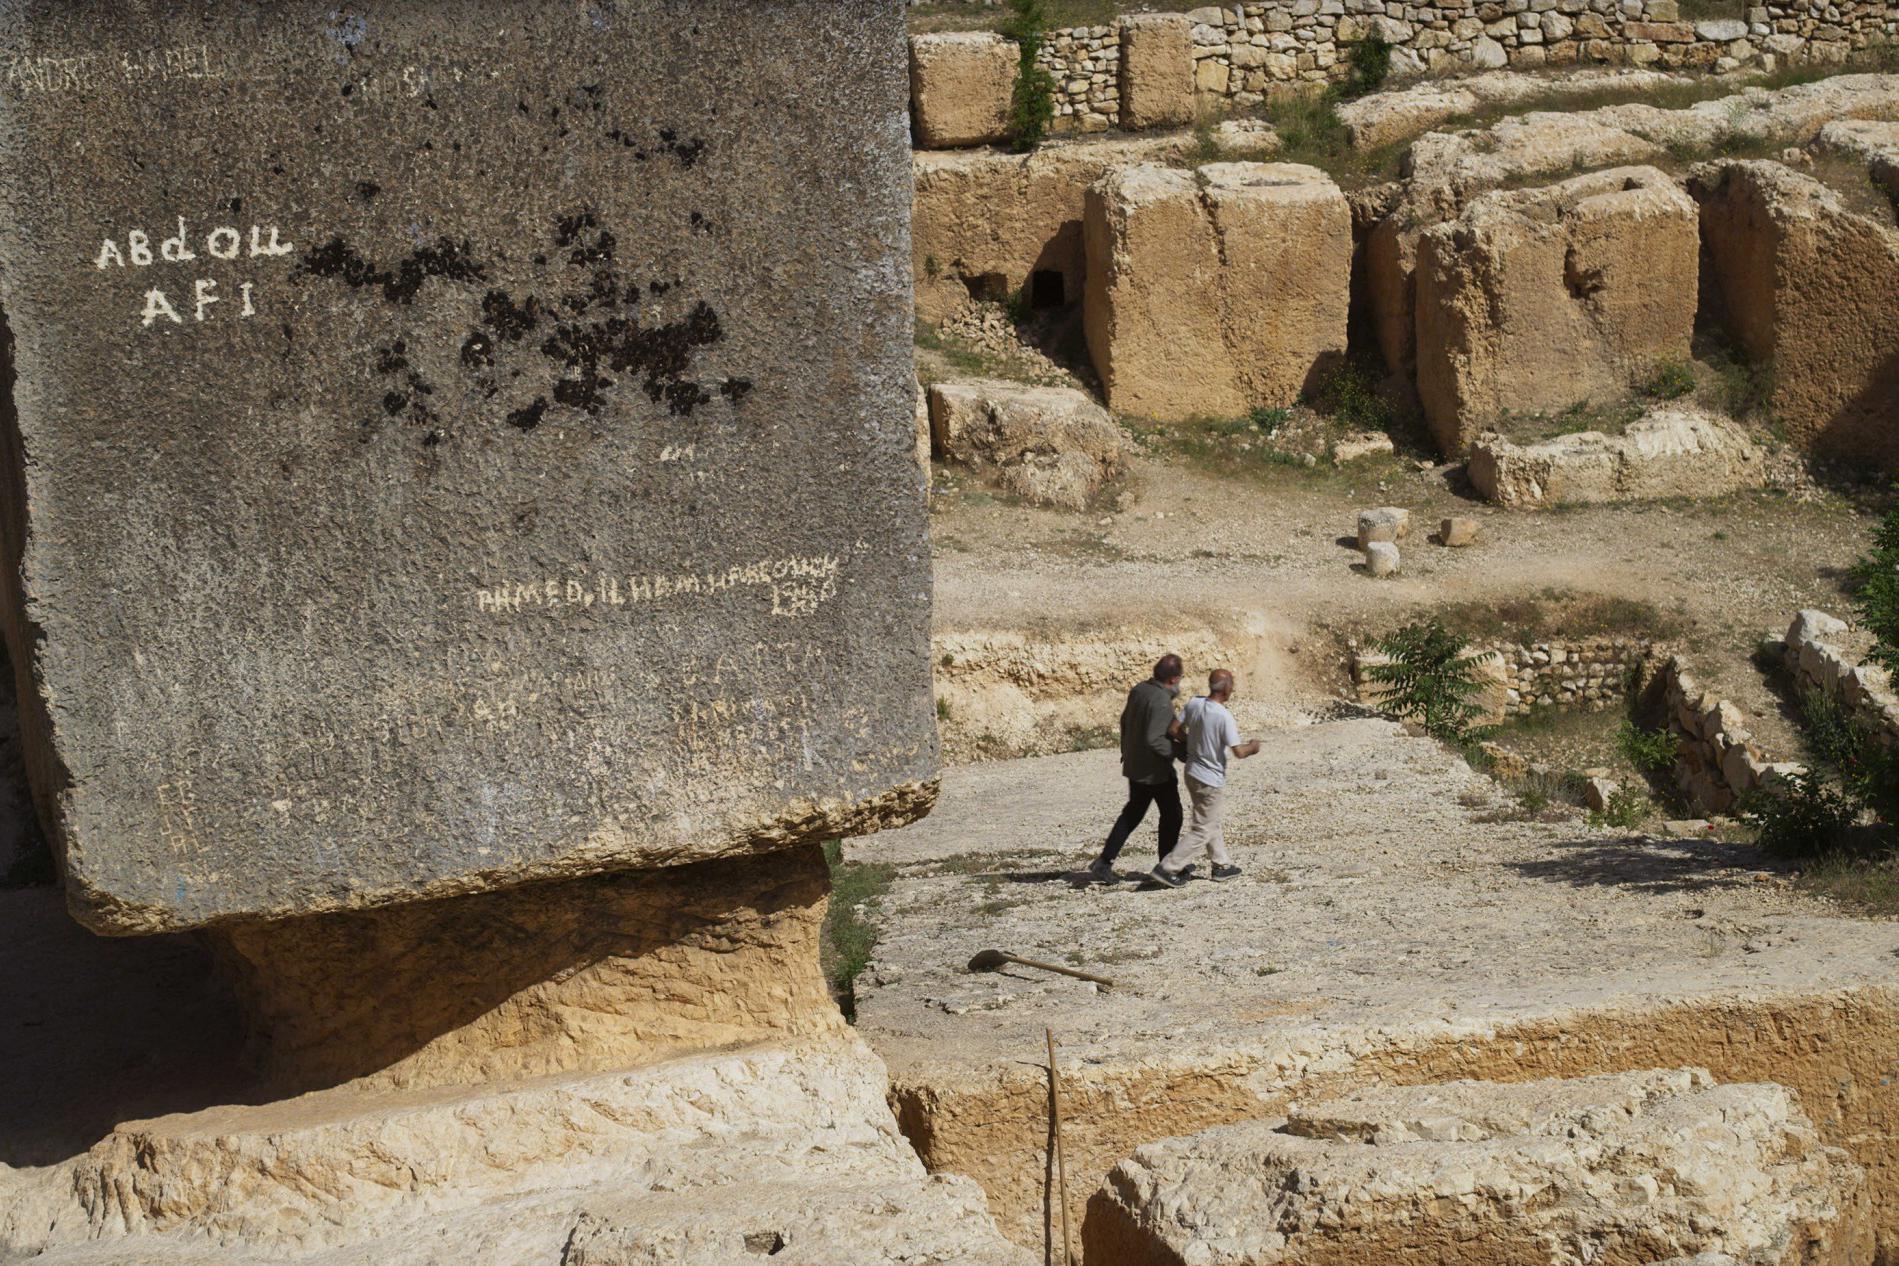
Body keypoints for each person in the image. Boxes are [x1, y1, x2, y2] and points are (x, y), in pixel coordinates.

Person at [1148, 669, 1260, 888]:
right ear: (1226, 687)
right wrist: (1253, 747)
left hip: (1192, 771)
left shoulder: (1194, 704)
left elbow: (1173, 729)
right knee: (1202, 828)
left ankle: (1221, 864)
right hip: (1210, 777)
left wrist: (1190, 742)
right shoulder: (1223, 716)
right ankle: (1168, 867)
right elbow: (1239, 751)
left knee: (1209, 819)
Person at [1089, 653, 1185, 884]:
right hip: (1154, 772)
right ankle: (1167, 866)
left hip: (1136, 765)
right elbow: (1155, 739)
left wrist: (1126, 751)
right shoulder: (1161, 701)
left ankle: (1104, 861)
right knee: (1173, 816)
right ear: (1173, 679)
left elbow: (1124, 721)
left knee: (1133, 813)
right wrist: (1181, 753)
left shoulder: (1139, 690)